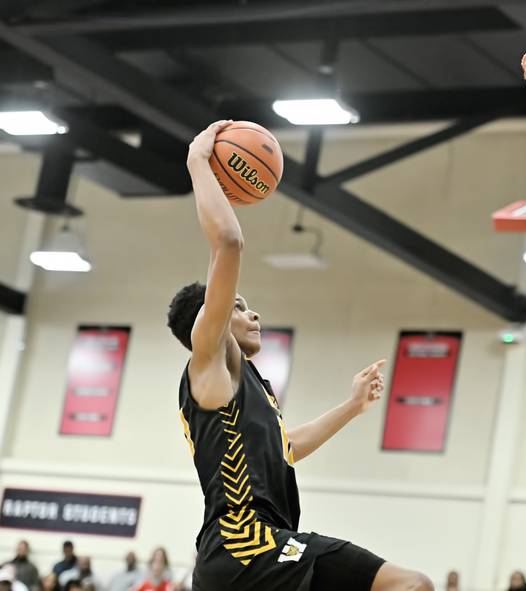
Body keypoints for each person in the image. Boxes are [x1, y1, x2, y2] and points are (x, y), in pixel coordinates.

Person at [168, 121, 433, 591]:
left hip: (251, 554)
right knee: (410, 585)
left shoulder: (243, 389)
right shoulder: (209, 361)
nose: (253, 314)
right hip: (247, 548)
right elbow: (228, 243)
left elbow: (286, 448)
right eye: (238, 306)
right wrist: (198, 162)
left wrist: (351, 407)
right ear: (208, 320)